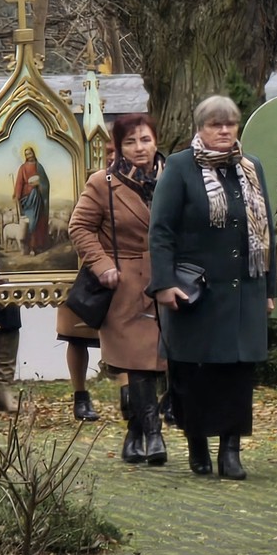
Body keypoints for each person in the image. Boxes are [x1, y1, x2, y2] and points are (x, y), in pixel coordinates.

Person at [150, 96, 277, 480]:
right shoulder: (179, 167)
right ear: (200, 129)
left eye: (230, 124)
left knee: (237, 375)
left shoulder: (251, 168)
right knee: (193, 375)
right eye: (215, 125)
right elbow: (161, 232)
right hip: (196, 293)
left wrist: (269, 288)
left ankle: (231, 450)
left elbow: (269, 229)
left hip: (244, 293)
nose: (224, 131)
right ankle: (197, 445)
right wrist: (164, 284)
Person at [68, 112, 167, 466]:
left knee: (161, 360)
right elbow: (79, 227)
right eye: (130, 142)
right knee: (136, 361)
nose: (139, 149)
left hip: (167, 279)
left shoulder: (174, 178)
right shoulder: (103, 182)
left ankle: (135, 431)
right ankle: (151, 434)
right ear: (119, 146)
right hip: (124, 282)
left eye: (145, 140)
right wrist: (102, 264)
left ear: (156, 140)